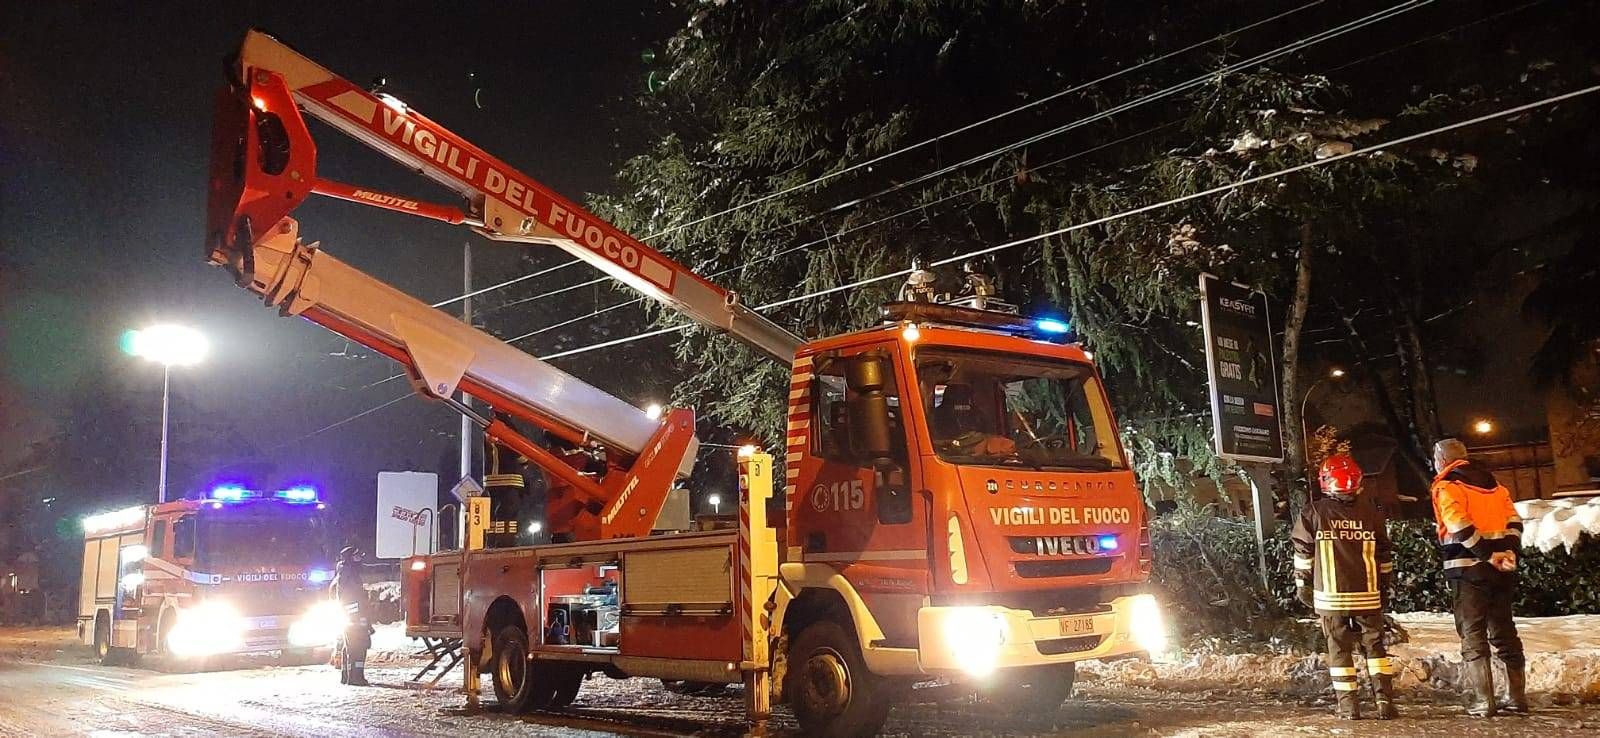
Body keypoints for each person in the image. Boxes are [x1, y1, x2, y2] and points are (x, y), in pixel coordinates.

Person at [1293, 454, 1398, 720]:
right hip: (1368, 594)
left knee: (1339, 649)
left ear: (1326, 481)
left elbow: (1303, 552)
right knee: (1375, 648)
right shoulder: (1371, 512)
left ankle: (1349, 706)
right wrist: (1385, 585)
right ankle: (1384, 702)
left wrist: (1302, 584)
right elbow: (1384, 554)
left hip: (1331, 597)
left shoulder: (1314, 512)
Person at [1431, 438, 1527, 717]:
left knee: (1472, 632)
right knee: (1504, 631)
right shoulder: (1495, 486)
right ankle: (1516, 697)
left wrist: (1486, 554)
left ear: (1442, 460)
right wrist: (1506, 551)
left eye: (1435, 459)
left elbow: (1457, 524)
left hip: (1467, 570)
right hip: (1500, 570)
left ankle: (1484, 700)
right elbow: (1514, 521)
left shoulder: (1447, 486)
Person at [332, 546, 372, 686]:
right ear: (350, 558)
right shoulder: (349, 575)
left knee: (349, 647)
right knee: (358, 647)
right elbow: (352, 599)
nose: (359, 559)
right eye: (356, 556)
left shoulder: (345, 573)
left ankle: (347, 676)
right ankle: (356, 678)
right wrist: (361, 619)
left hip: (350, 619)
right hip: (354, 619)